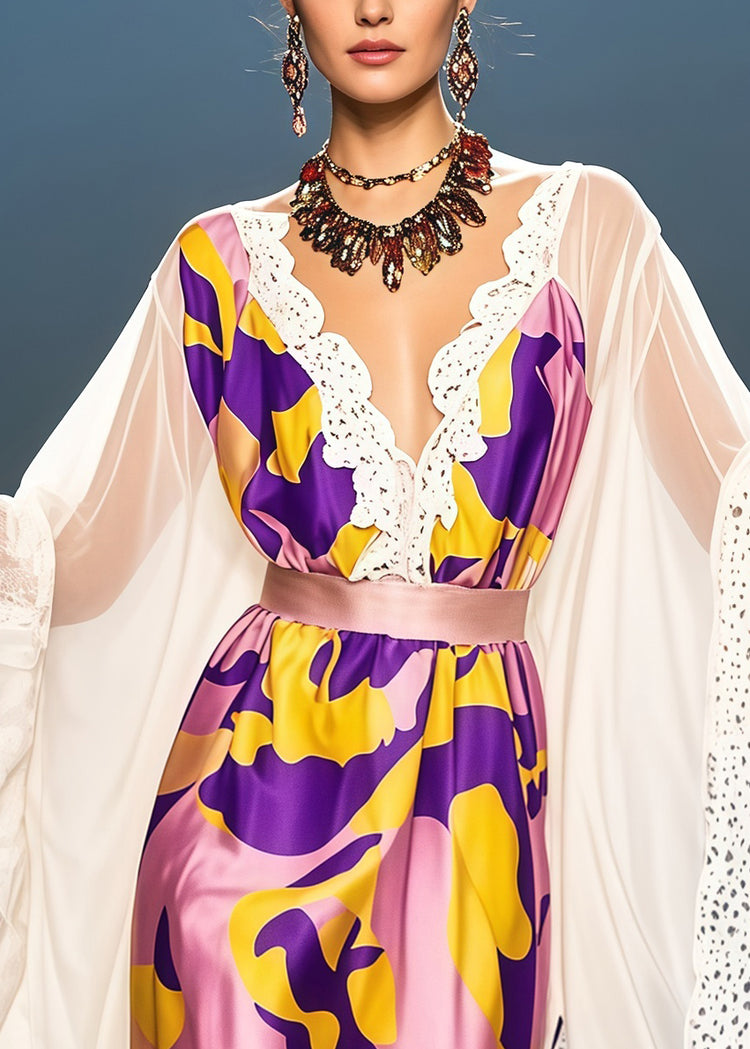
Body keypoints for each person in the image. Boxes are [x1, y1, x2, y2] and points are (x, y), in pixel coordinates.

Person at [1, 1, 749, 1047]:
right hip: (239, 823)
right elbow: (64, 561)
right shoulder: (216, 263)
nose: (373, 8)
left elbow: (730, 498)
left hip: (472, 813)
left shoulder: (589, 229)